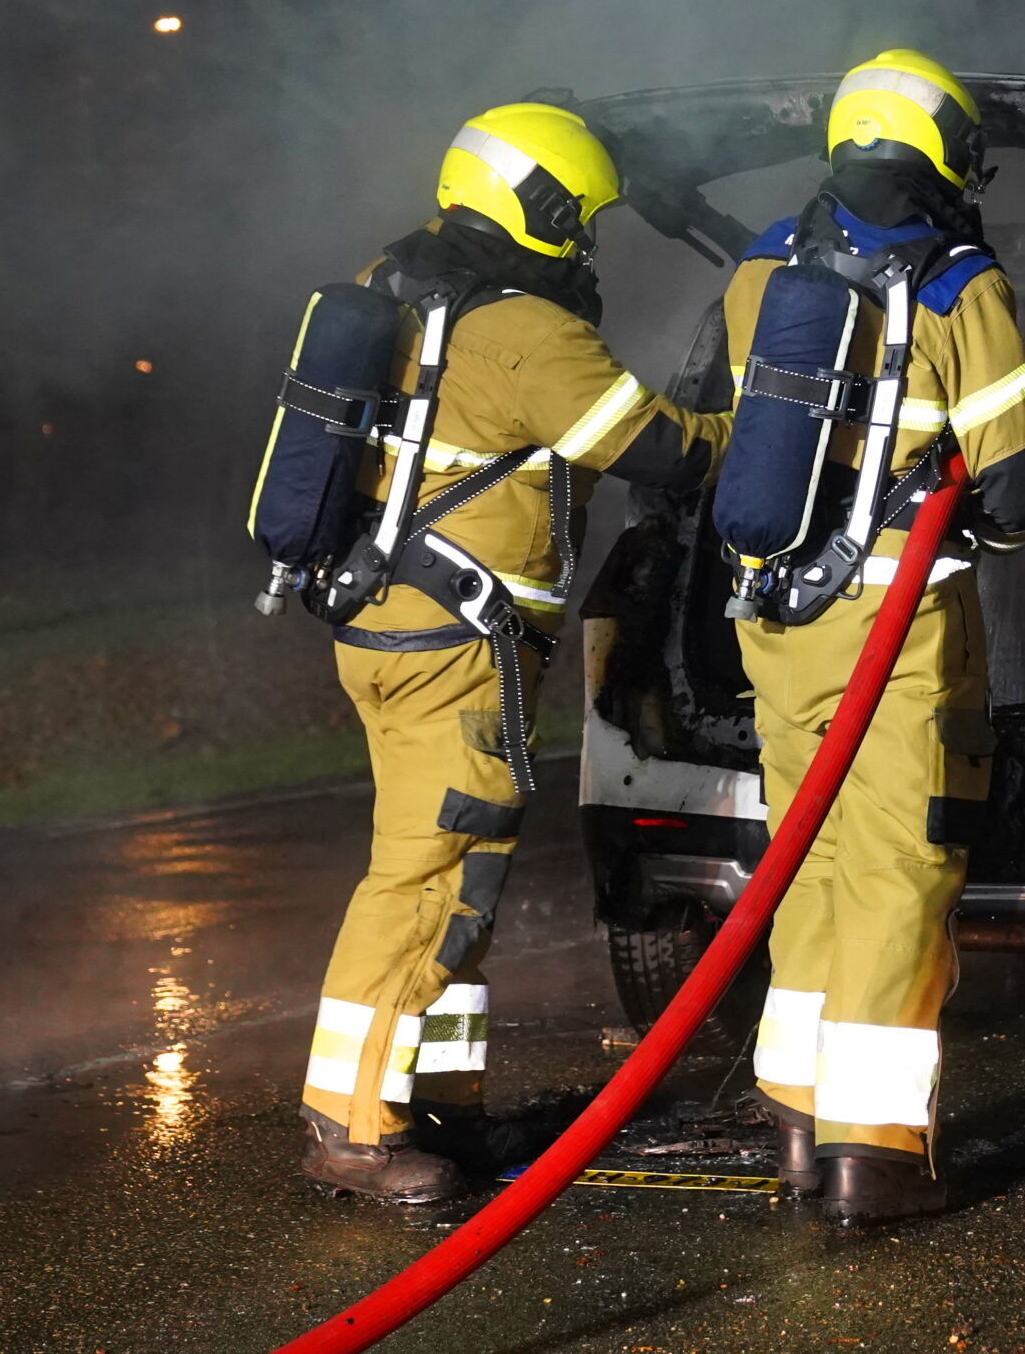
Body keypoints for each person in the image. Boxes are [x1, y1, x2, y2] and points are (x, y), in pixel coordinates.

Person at [298, 102, 729, 1202]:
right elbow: (661, 451)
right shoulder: (523, 333)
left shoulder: (397, 283)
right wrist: (775, 426)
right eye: (576, 221)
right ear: (537, 211)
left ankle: (435, 1104)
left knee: (440, 874)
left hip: (389, 622)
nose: (584, 244)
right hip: (453, 645)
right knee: (434, 873)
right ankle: (353, 1127)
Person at [724, 50, 1025, 1223]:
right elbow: (1016, 496)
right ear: (946, 148)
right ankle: (874, 1150)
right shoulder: (963, 286)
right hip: (897, 627)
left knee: (807, 856)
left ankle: (797, 1121)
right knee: (901, 868)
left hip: (776, 621)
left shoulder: (760, 265)